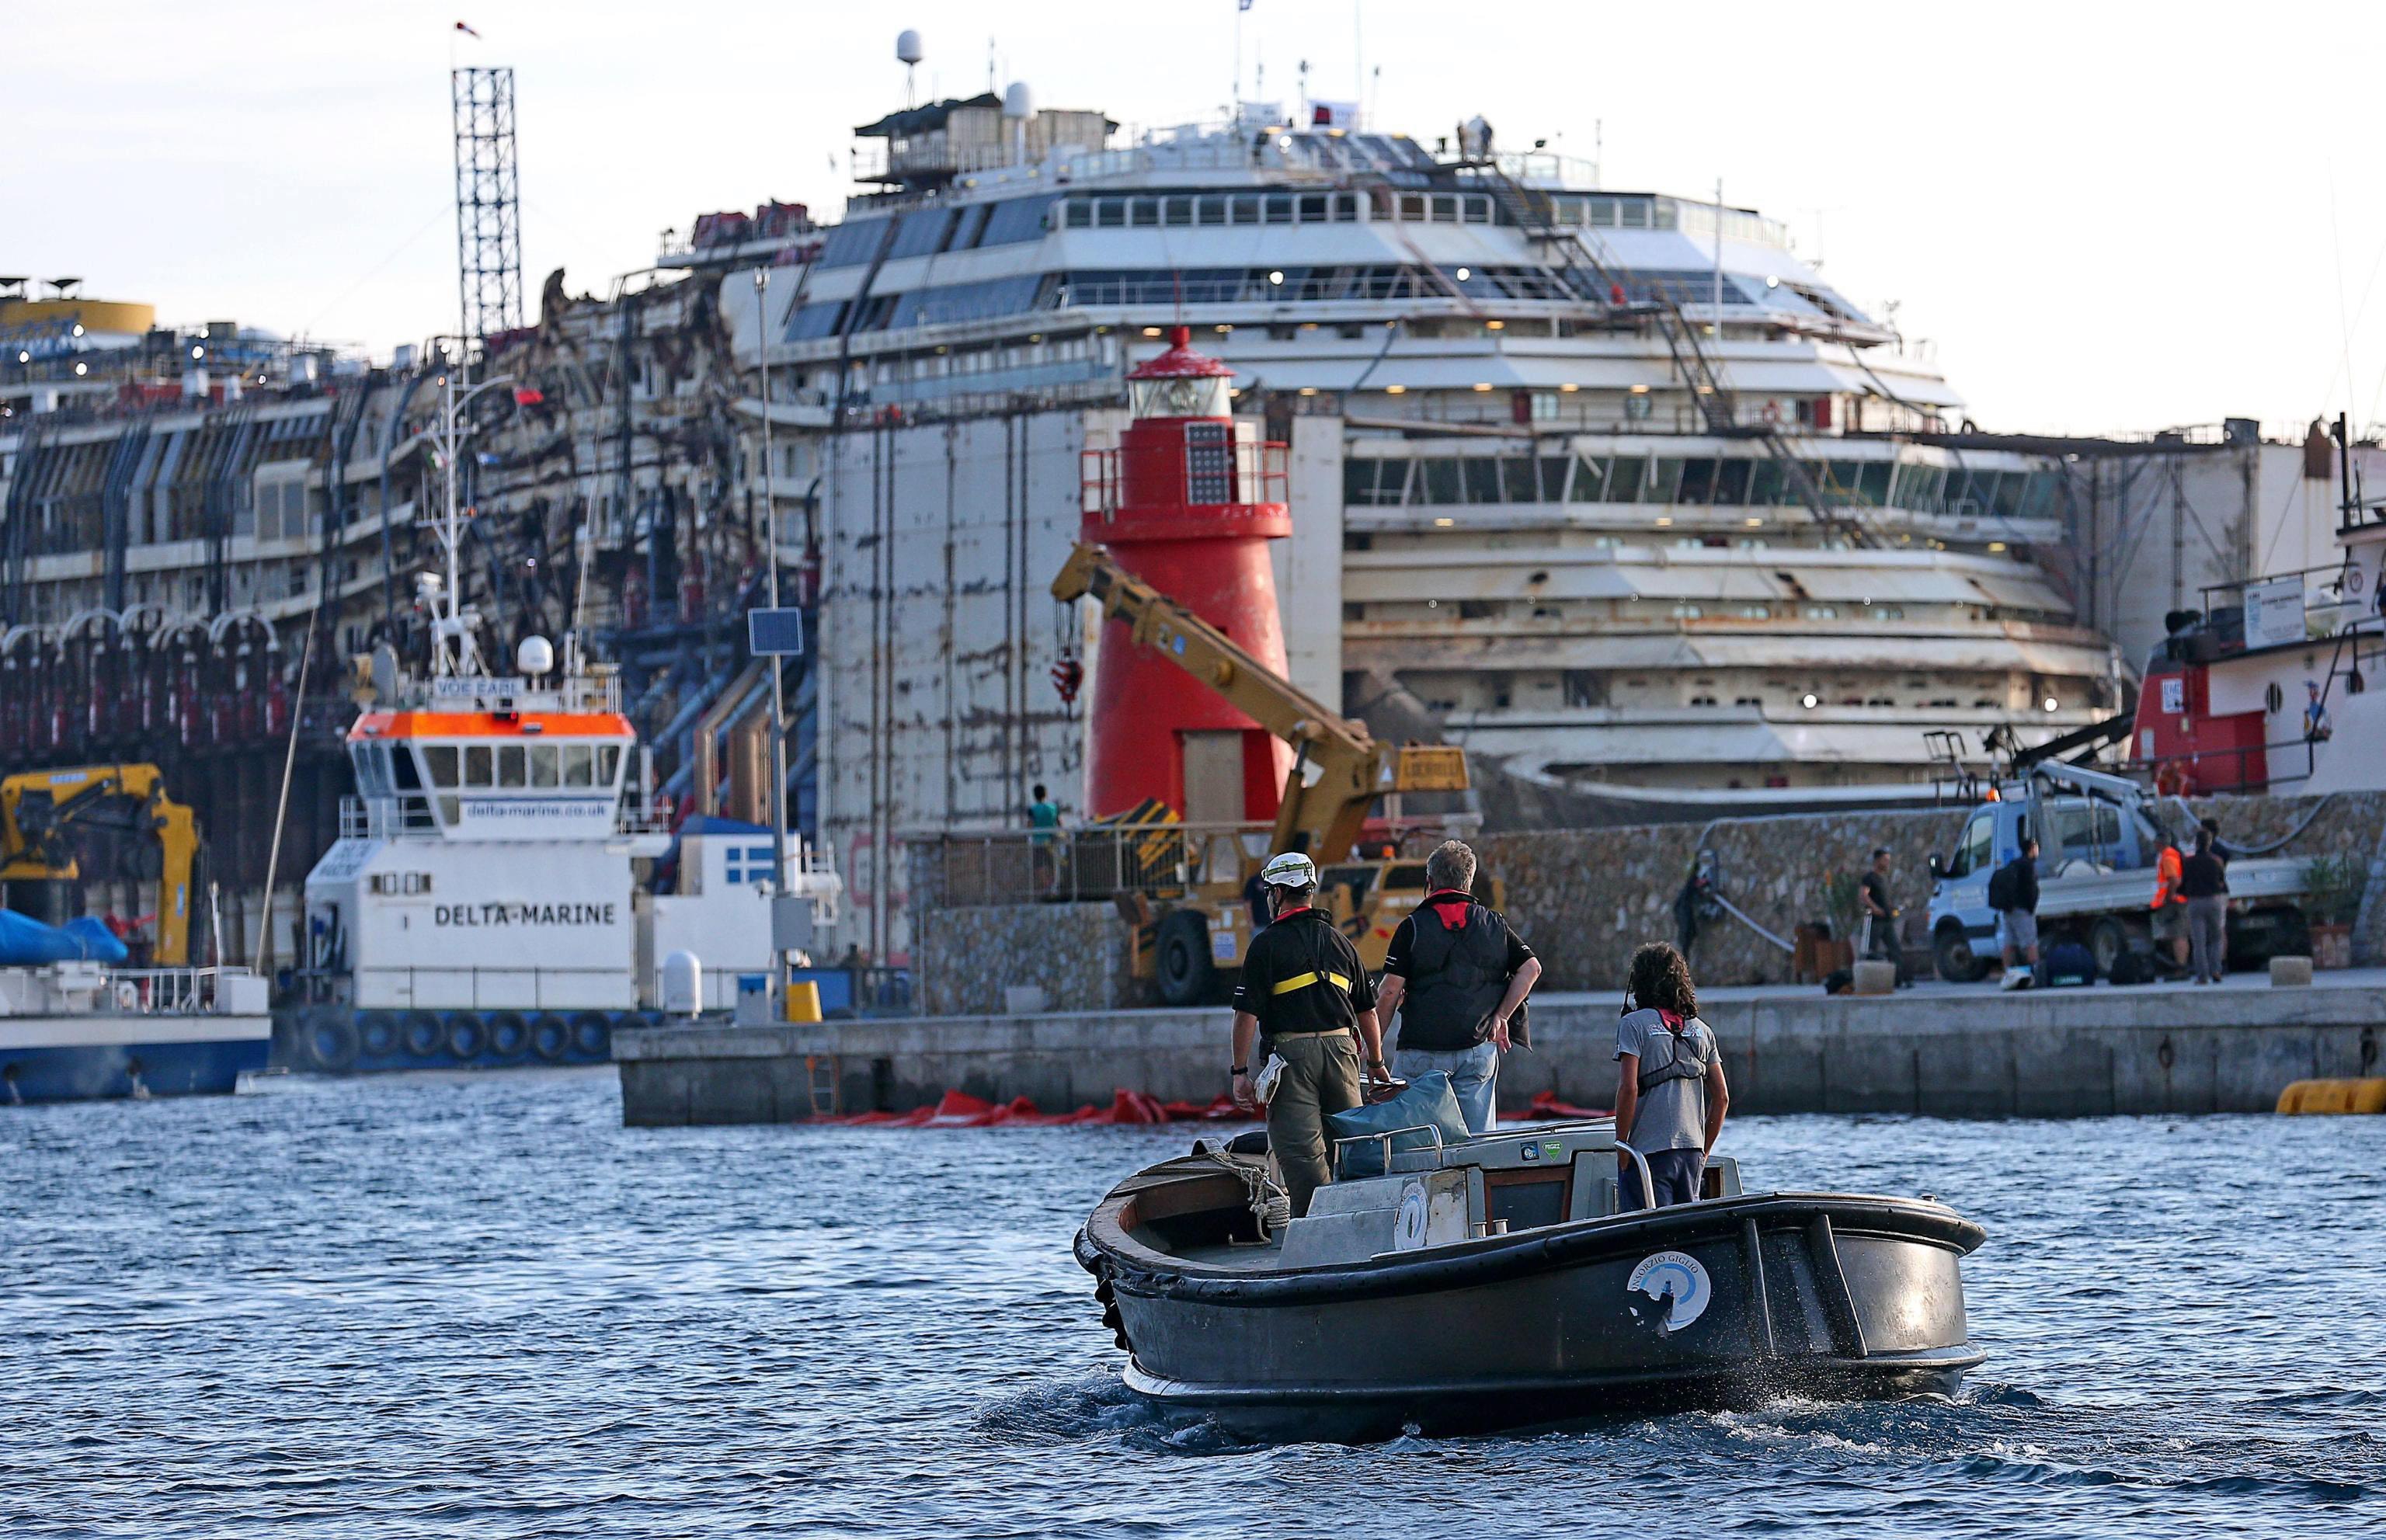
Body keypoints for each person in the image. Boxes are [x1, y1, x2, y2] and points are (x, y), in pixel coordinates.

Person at [1229, 852, 1389, 1218]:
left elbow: (1245, 1016)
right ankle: (1357, 1229)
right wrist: (1377, 1063)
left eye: (1270, 891)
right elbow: (1367, 1011)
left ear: (1281, 893)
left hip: (1291, 1058)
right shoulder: (1342, 943)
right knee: (1350, 1147)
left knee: (1302, 1157)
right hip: (1344, 1055)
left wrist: (1240, 1074)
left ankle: (1315, 1235)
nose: (1269, 898)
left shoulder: (1266, 945)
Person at [1372, 840, 1541, 1135]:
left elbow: (1389, 992)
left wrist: (1374, 1053)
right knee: (1474, 1148)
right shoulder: (1494, 924)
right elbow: (1531, 968)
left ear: (1430, 882)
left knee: (1411, 1144)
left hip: (1420, 1052)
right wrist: (1501, 1016)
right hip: (1476, 1050)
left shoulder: (1412, 927)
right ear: (1469, 882)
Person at [1612, 942, 1728, 1210]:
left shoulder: (1633, 1025)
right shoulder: (1702, 1030)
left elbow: (1628, 1089)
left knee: (1649, 1235)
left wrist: (1622, 1146)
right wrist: (1704, 1149)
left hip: (1648, 1154)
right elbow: (1721, 1097)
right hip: (1691, 1152)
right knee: (1686, 1234)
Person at [1991, 836, 2041, 990]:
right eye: (2036, 848)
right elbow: (2031, 889)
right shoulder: (2028, 866)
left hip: (2008, 910)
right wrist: (2031, 907)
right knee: (2030, 944)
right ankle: (2035, 975)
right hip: (2022, 910)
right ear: (2032, 849)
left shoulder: (2013, 864)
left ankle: (2008, 974)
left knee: (2009, 944)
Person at [2182, 827, 2230, 984]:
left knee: (2199, 942)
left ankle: (2202, 976)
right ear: (2209, 843)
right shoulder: (2217, 861)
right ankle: (2216, 970)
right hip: (2214, 901)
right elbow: (2222, 880)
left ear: (2196, 843)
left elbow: (2183, 882)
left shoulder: (2188, 862)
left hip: (2195, 902)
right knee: (2216, 938)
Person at [1859, 846, 1908, 986]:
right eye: (1885, 860)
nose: (1887, 863)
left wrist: (1892, 909)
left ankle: (1899, 980)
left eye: (1888, 860)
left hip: (1887, 921)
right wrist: (1876, 909)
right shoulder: (1869, 878)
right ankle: (1868, 981)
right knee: (1871, 951)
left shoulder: (1883, 879)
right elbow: (1863, 895)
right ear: (1877, 861)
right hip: (1875, 922)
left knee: (1895, 950)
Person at [2151, 830, 2189, 974]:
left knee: (2178, 935)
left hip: (2175, 902)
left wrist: (2169, 897)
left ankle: (2181, 967)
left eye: (2155, 842)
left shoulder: (2168, 857)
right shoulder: (2170, 855)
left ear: (2159, 843)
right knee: (2177, 935)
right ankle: (2180, 965)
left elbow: (2174, 880)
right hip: (2177, 900)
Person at [1026, 784, 1062, 889]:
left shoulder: (1033, 809)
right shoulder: (1053, 807)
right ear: (1046, 794)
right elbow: (1060, 823)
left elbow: (1029, 826)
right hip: (1052, 841)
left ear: (1034, 795)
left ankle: (1047, 885)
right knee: (1053, 865)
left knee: (1038, 866)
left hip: (1038, 842)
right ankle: (1054, 886)